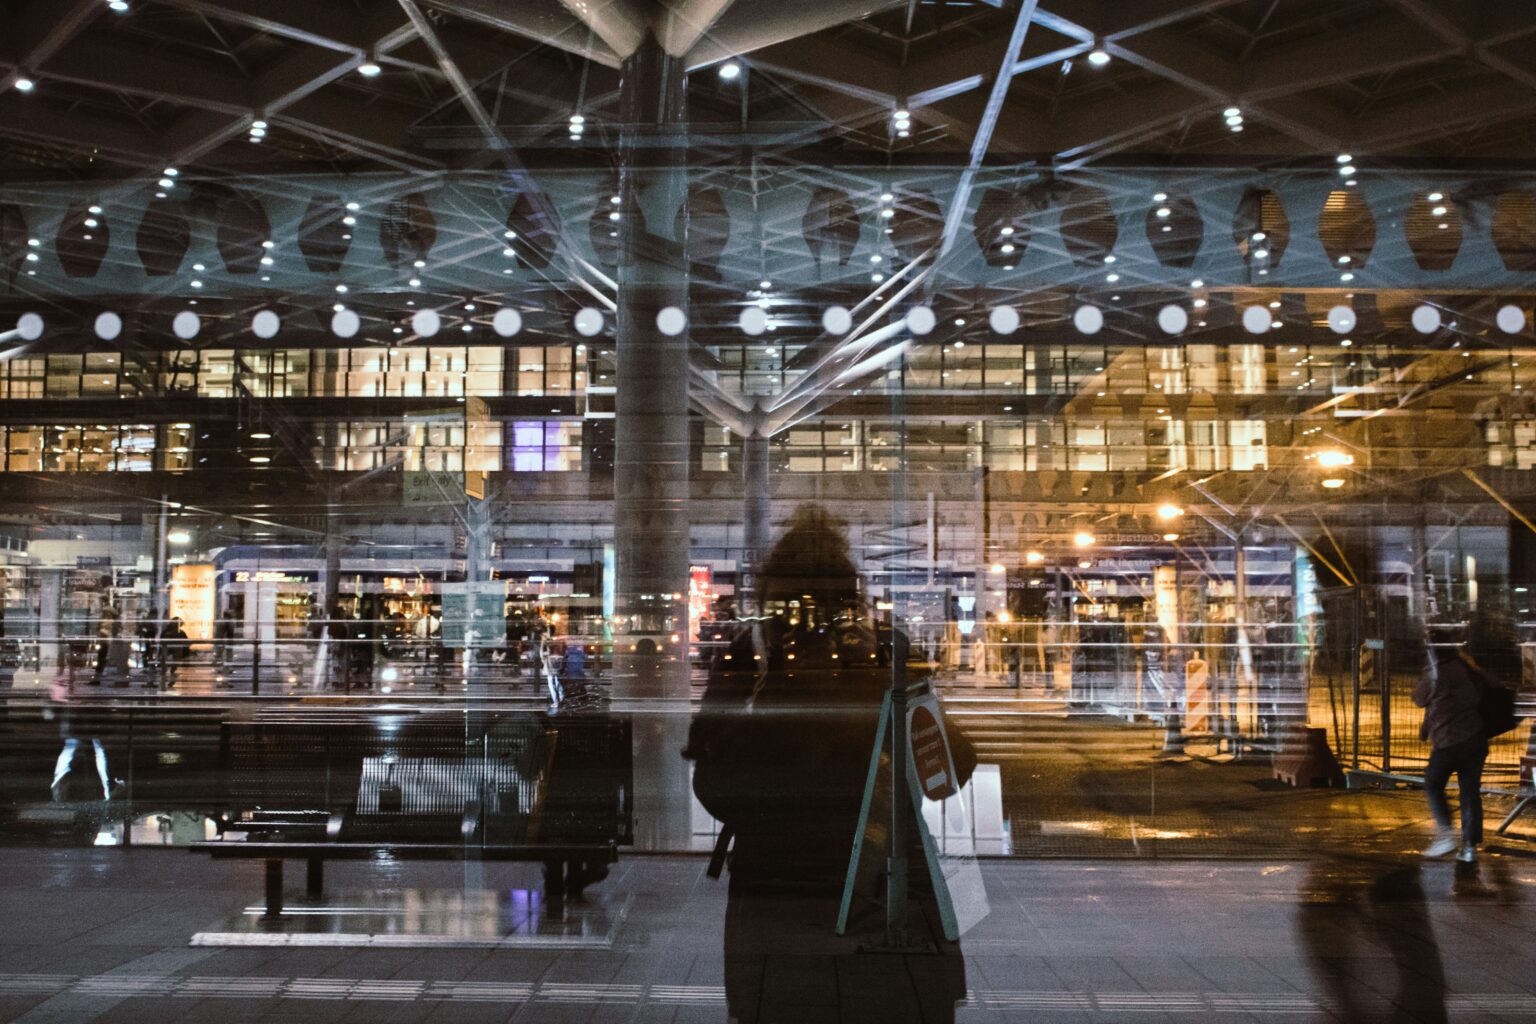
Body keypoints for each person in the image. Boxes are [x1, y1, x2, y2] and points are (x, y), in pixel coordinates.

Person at [684, 504, 974, 1024]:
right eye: (792, 610)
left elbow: (713, 785)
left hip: (782, 887)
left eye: (824, 608)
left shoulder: (755, 660)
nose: (806, 626)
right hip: (881, 881)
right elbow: (948, 773)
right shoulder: (774, 662)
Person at [1413, 641, 1494, 862]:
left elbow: (1419, 698)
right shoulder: (1468, 669)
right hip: (1476, 739)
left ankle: (1446, 833)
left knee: (1433, 782)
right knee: (1469, 792)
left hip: (1449, 741)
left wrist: (1427, 673)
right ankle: (1470, 848)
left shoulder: (1436, 673)